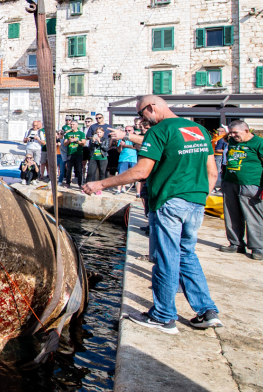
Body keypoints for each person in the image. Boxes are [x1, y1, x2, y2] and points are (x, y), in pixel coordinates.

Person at [84, 95, 221, 333]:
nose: (141, 119)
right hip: (196, 202)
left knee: (165, 258)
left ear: (151, 107)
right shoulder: (199, 130)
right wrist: (198, 199)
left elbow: (140, 172)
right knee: (187, 255)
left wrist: (100, 185)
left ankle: (163, 315)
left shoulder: (160, 131)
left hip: (169, 202)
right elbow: (212, 172)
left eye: (141, 113)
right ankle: (207, 311)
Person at [221, 122, 263, 259]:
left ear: (246, 131)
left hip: (252, 185)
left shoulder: (261, 144)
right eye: (231, 133)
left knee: (254, 217)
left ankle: (257, 248)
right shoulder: (232, 141)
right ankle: (236, 244)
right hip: (231, 183)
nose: (232, 135)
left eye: (236, 133)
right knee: (231, 216)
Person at [116, 126, 138, 194]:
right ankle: (119, 190)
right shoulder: (122, 139)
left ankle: (138, 192)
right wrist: (120, 145)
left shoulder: (135, 138)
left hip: (133, 159)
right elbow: (119, 150)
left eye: (129, 130)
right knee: (121, 175)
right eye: (126, 130)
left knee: (135, 176)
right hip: (123, 158)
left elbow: (136, 147)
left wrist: (125, 145)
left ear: (132, 131)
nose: (127, 132)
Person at [63, 120, 86, 189]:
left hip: (78, 153)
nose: (72, 126)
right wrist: (69, 141)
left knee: (79, 169)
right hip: (70, 153)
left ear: (77, 125)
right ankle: (68, 183)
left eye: (73, 124)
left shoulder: (81, 133)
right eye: (71, 124)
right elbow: (64, 143)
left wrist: (77, 141)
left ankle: (80, 183)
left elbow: (83, 143)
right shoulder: (68, 134)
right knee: (68, 169)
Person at [212, 126, 228, 191]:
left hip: (219, 156)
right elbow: (217, 149)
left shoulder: (220, 138)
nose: (220, 133)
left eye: (222, 131)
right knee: (218, 171)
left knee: (220, 171)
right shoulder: (219, 138)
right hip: (218, 156)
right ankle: (216, 186)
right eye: (219, 131)